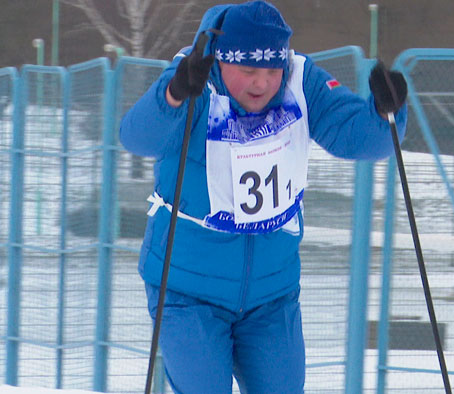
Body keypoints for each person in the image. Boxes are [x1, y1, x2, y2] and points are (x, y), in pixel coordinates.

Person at [119, 1, 407, 392]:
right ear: (221, 62)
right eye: (248, 71)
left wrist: (386, 112)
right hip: (188, 291)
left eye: (272, 70)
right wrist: (172, 96)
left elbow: (359, 137)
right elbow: (137, 137)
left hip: (271, 293)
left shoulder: (299, 80)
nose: (262, 84)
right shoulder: (194, 76)